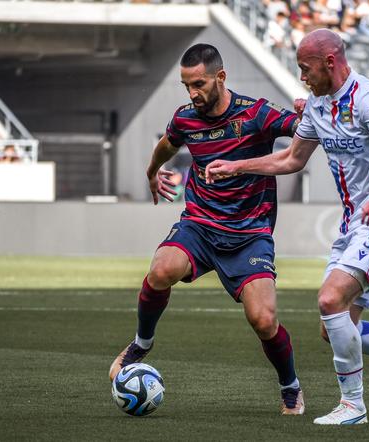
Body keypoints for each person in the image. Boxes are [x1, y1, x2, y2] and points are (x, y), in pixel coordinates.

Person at [205, 29, 369, 425]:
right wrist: (236, 166)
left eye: (306, 69)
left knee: (329, 301)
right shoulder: (318, 107)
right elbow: (291, 159)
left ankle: (353, 407)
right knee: (336, 327)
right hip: (354, 226)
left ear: (330, 62)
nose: (302, 78)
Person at [108, 43, 305, 415]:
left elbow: (302, 133)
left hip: (249, 234)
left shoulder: (256, 114)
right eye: (186, 86)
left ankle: (290, 386)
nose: (192, 93)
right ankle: (141, 343)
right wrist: (151, 173)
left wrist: (309, 114)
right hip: (199, 224)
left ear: (221, 77)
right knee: (161, 269)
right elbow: (168, 144)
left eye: (198, 84)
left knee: (263, 320)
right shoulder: (186, 118)